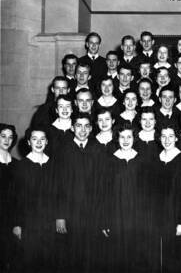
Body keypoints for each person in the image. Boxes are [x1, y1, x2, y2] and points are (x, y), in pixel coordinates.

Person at [55, 112, 108, 272]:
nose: (82, 130)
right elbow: (57, 186)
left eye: (86, 126)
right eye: (78, 125)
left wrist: (104, 218)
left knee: (94, 257)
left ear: (91, 128)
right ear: (72, 127)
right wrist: (60, 216)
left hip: (94, 213)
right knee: (72, 257)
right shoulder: (62, 151)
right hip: (71, 212)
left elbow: (104, 185)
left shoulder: (99, 149)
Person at [104, 123, 152, 272]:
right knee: (116, 256)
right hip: (116, 216)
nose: (125, 140)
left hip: (138, 217)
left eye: (129, 137)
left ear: (134, 138)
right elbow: (104, 194)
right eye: (122, 137)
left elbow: (148, 194)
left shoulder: (142, 161)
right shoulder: (109, 161)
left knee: (138, 256)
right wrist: (105, 220)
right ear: (116, 139)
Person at [13, 126, 56, 273]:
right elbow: (16, 198)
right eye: (34, 139)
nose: (39, 142)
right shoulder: (20, 166)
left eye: (42, 139)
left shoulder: (53, 165)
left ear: (47, 142)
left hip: (51, 222)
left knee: (51, 261)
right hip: (29, 222)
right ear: (28, 142)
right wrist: (17, 224)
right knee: (31, 262)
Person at [151, 126, 181, 273]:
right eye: (163, 136)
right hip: (157, 216)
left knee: (174, 258)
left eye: (171, 136)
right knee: (158, 257)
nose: (167, 140)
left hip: (176, 216)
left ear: (176, 138)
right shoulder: (156, 159)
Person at [0, 124, 18, 271]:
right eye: (3, 136)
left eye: (10, 137)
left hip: (12, 217)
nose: (7, 140)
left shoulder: (17, 164)